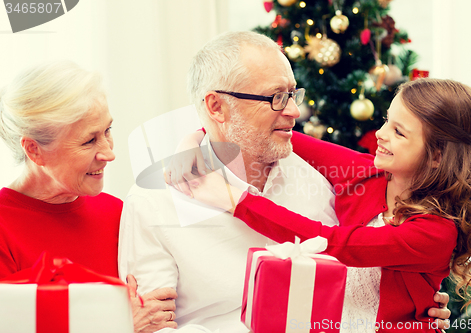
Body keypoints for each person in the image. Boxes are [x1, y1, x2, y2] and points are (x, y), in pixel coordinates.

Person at [121, 31, 450, 333]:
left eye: (293, 93)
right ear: (216, 106)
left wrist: (417, 307)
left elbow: (352, 252)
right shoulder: (154, 202)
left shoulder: (325, 177)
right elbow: (155, 328)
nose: (294, 110)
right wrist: (193, 142)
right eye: (276, 97)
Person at [169, 78, 471, 332]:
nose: (380, 133)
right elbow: (265, 131)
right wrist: (191, 143)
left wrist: (235, 201)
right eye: (386, 120)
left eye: (398, 132)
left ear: (438, 155)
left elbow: (335, 244)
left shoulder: (435, 232)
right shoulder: (361, 171)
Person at [0, 60, 177, 333]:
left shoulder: (119, 212)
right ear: (34, 150)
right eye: (88, 141)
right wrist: (119, 325)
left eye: (107, 131)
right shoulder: (4, 226)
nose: (109, 153)